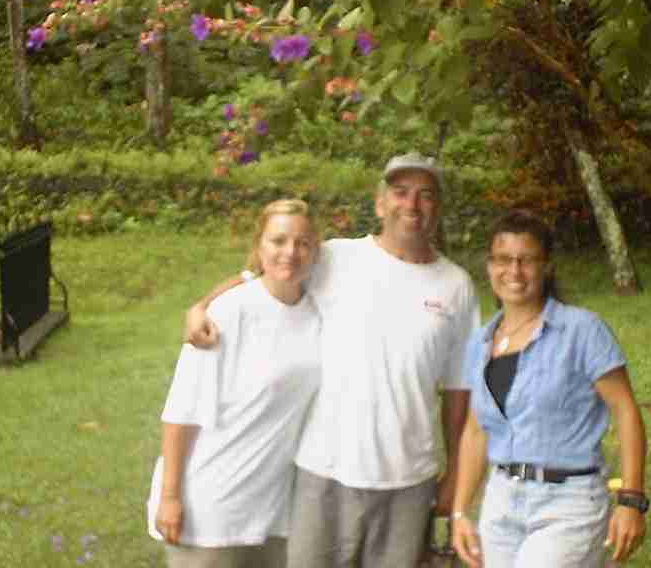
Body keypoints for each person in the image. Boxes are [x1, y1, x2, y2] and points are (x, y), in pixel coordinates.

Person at [187, 153, 481, 568]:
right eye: (400, 193)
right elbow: (263, 275)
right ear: (380, 203)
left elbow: (459, 389)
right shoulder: (336, 258)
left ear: (438, 208)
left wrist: (454, 474)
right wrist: (200, 306)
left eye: (425, 195)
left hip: (409, 479)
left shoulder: (457, 286)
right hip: (322, 471)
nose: (411, 204)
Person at [450, 209, 648, 568]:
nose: (514, 271)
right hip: (501, 500)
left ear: (547, 267)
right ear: (489, 265)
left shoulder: (581, 330)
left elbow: (626, 411)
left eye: (527, 260)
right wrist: (461, 512)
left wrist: (631, 500)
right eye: (504, 259)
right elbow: (476, 431)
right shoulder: (480, 343)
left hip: (568, 502)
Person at [147, 199, 322, 568]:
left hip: (274, 511)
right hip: (210, 507)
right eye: (278, 241)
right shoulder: (228, 312)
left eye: (303, 243)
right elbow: (182, 410)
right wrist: (171, 496)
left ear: (316, 249)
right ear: (259, 245)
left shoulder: (318, 311)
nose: (290, 252)